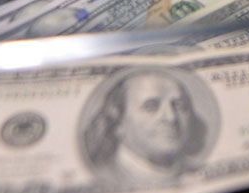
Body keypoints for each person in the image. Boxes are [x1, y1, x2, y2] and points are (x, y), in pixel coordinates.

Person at [81, 68, 209, 183]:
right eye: (151, 106)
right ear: (118, 121)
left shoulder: (200, 172)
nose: (171, 117)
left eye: (179, 105)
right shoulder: (102, 176)